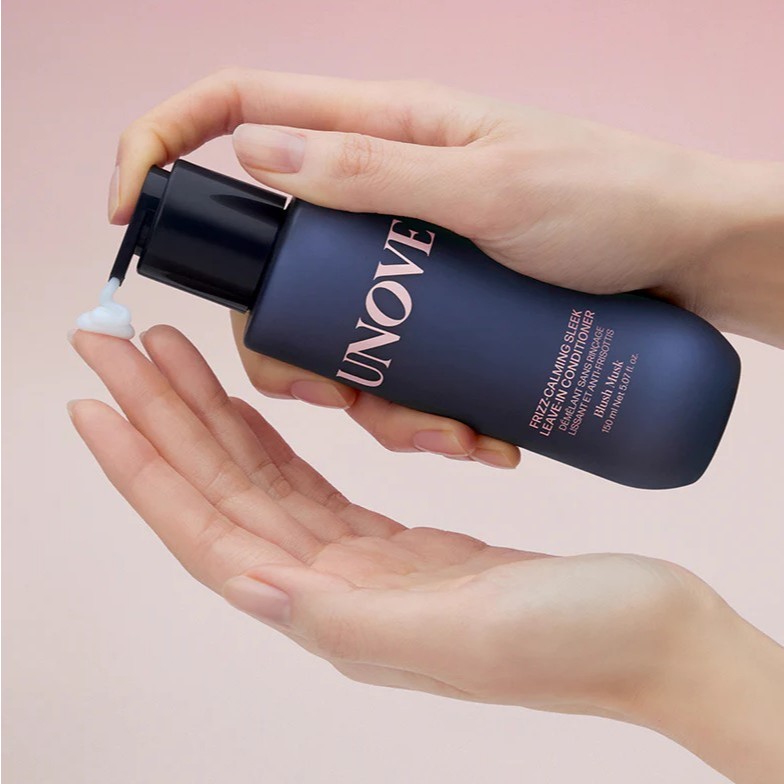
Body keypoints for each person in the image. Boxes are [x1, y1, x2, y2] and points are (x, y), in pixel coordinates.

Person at [68, 69, 784, 783]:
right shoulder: (282, 310)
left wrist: (700, 235)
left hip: (664, 364)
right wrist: (664, 659)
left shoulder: (323, 231)